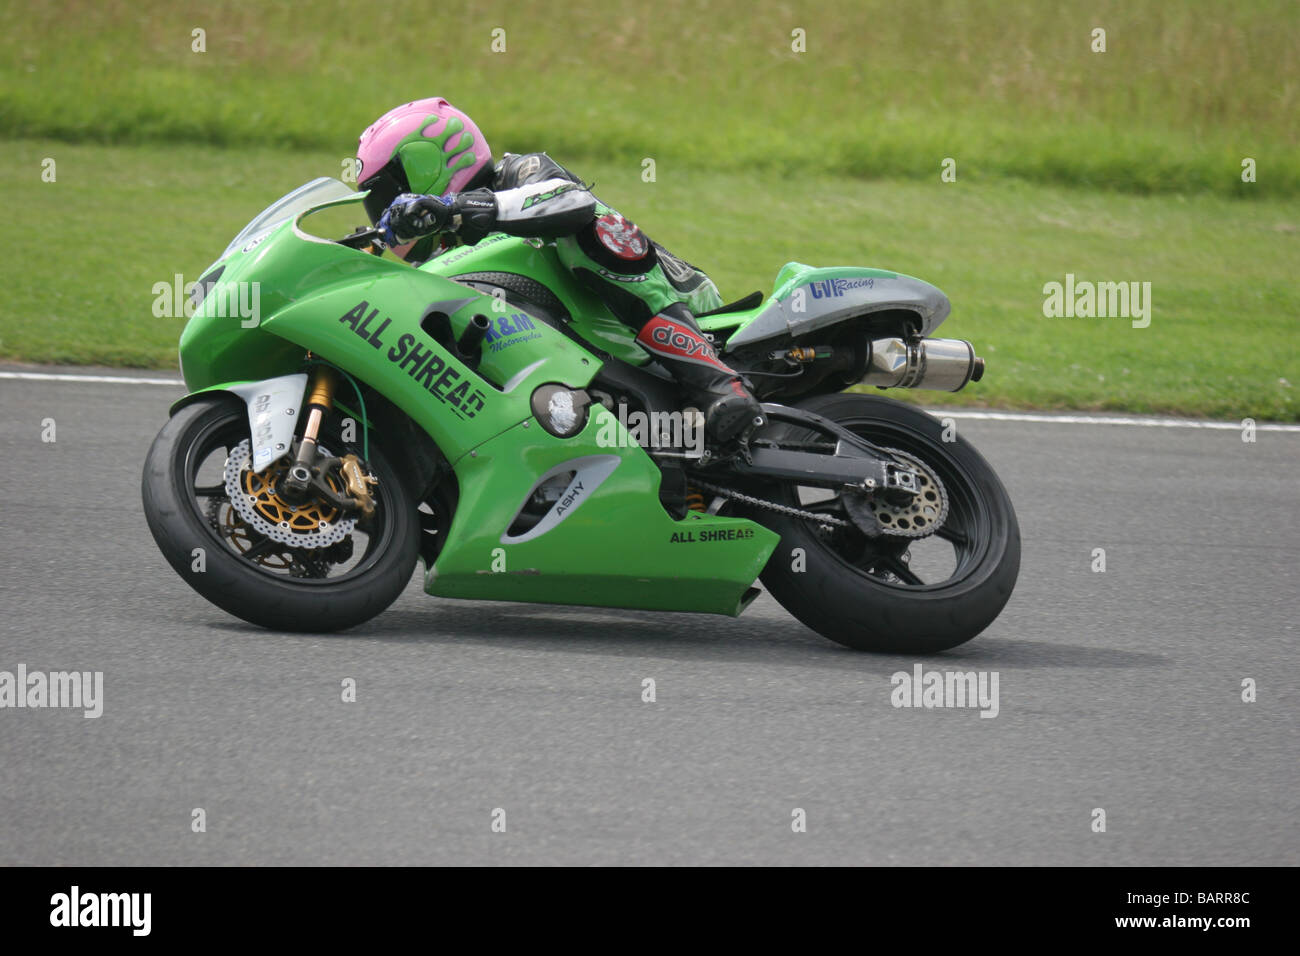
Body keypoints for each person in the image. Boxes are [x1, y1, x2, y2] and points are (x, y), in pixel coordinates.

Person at [354, 97, 763, 446]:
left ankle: (717, 381)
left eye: (391, 196)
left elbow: (571, 202)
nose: (390, 212)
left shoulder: (520, 173)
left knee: (587, 228)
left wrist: (458, 210)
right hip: (592, 365)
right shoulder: (447, 260)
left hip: (692, 309)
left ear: (429, 165)